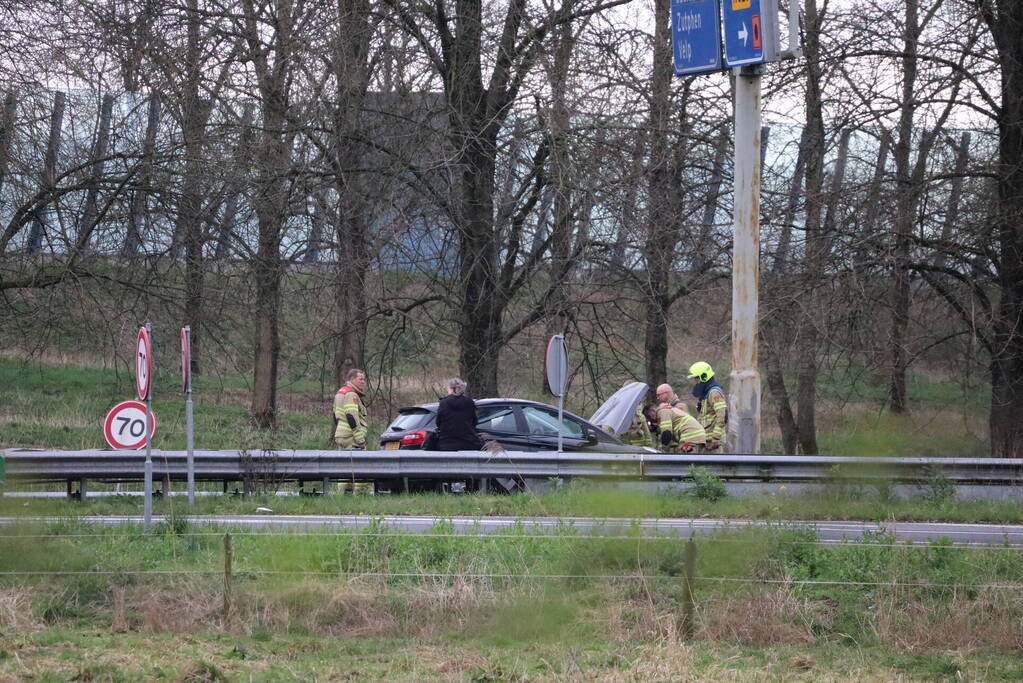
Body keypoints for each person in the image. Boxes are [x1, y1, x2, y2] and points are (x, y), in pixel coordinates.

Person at [687, 361, 727, 452]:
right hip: (706, 440)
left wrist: (716, 437)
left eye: (696, 378)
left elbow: (722, 414)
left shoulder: (714, 393)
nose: (695, 382)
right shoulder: (705, 394)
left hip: (713, 442)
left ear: (704, 377)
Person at [435, 377, 483, 450]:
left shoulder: (443, 403)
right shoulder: (469, 402)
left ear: (451, 389)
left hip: (446, 444)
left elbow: (438, 422)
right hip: (469, 443)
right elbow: (474, 422)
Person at [334, 368, 368, 449]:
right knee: (358, 461)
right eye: (360, 379)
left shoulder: (340, 393)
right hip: (351, 437)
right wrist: (360, 440)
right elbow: (351, 417)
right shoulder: (351, 394)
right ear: (352, 379)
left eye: (364, 379)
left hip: (341, 436)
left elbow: (334, 416)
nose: (363, 382)